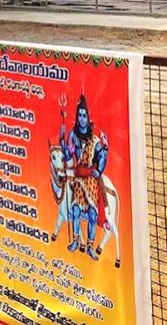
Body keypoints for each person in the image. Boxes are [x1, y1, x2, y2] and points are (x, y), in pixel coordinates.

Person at [59, 92, 109, 259]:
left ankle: (89, 246)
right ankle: (75, 241)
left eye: (84, 115)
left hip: (90, 181)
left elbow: (101, 156)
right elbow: (66, 155)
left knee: (93, 215)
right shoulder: (73, 135)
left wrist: (98, 169)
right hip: (79, 179)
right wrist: (62, 140)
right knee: (74, 210)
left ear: (87, 117)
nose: (81, 118)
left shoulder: (93, 139)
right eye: (79, 115)